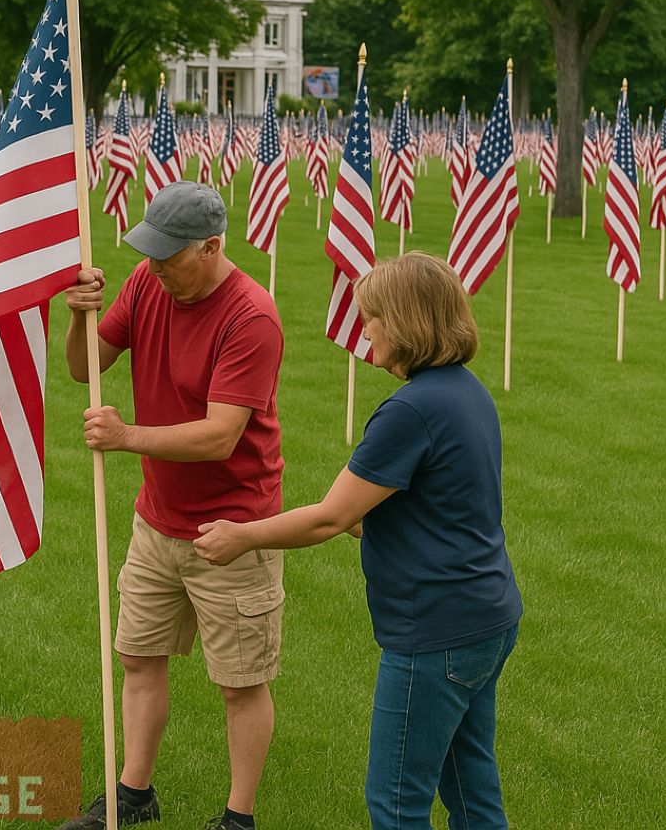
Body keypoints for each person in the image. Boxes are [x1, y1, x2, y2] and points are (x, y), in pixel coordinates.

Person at [195, 252, 523, 830]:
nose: (365, 327)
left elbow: (328, 518)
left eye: (371, 316)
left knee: (396, 803)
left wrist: (243, 535)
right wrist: (352, 515)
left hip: (435, 633)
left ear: (404, 322)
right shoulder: (466, 392)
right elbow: (422, 509)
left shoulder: (411, 410)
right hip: (487, 618)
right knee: (473, 791)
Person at [62, 181, 286, 830]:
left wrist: (127, 435)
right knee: (138, 658)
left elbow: (221, 435)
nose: (155, 268)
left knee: (240, 682)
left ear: (211, 247)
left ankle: (237, 817)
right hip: (157, 520)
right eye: (148, 254)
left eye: (169, 256)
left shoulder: (251, 316)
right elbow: (86, 370)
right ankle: (134, 793)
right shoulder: (145, 284)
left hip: (233, 528)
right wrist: (81, 315)